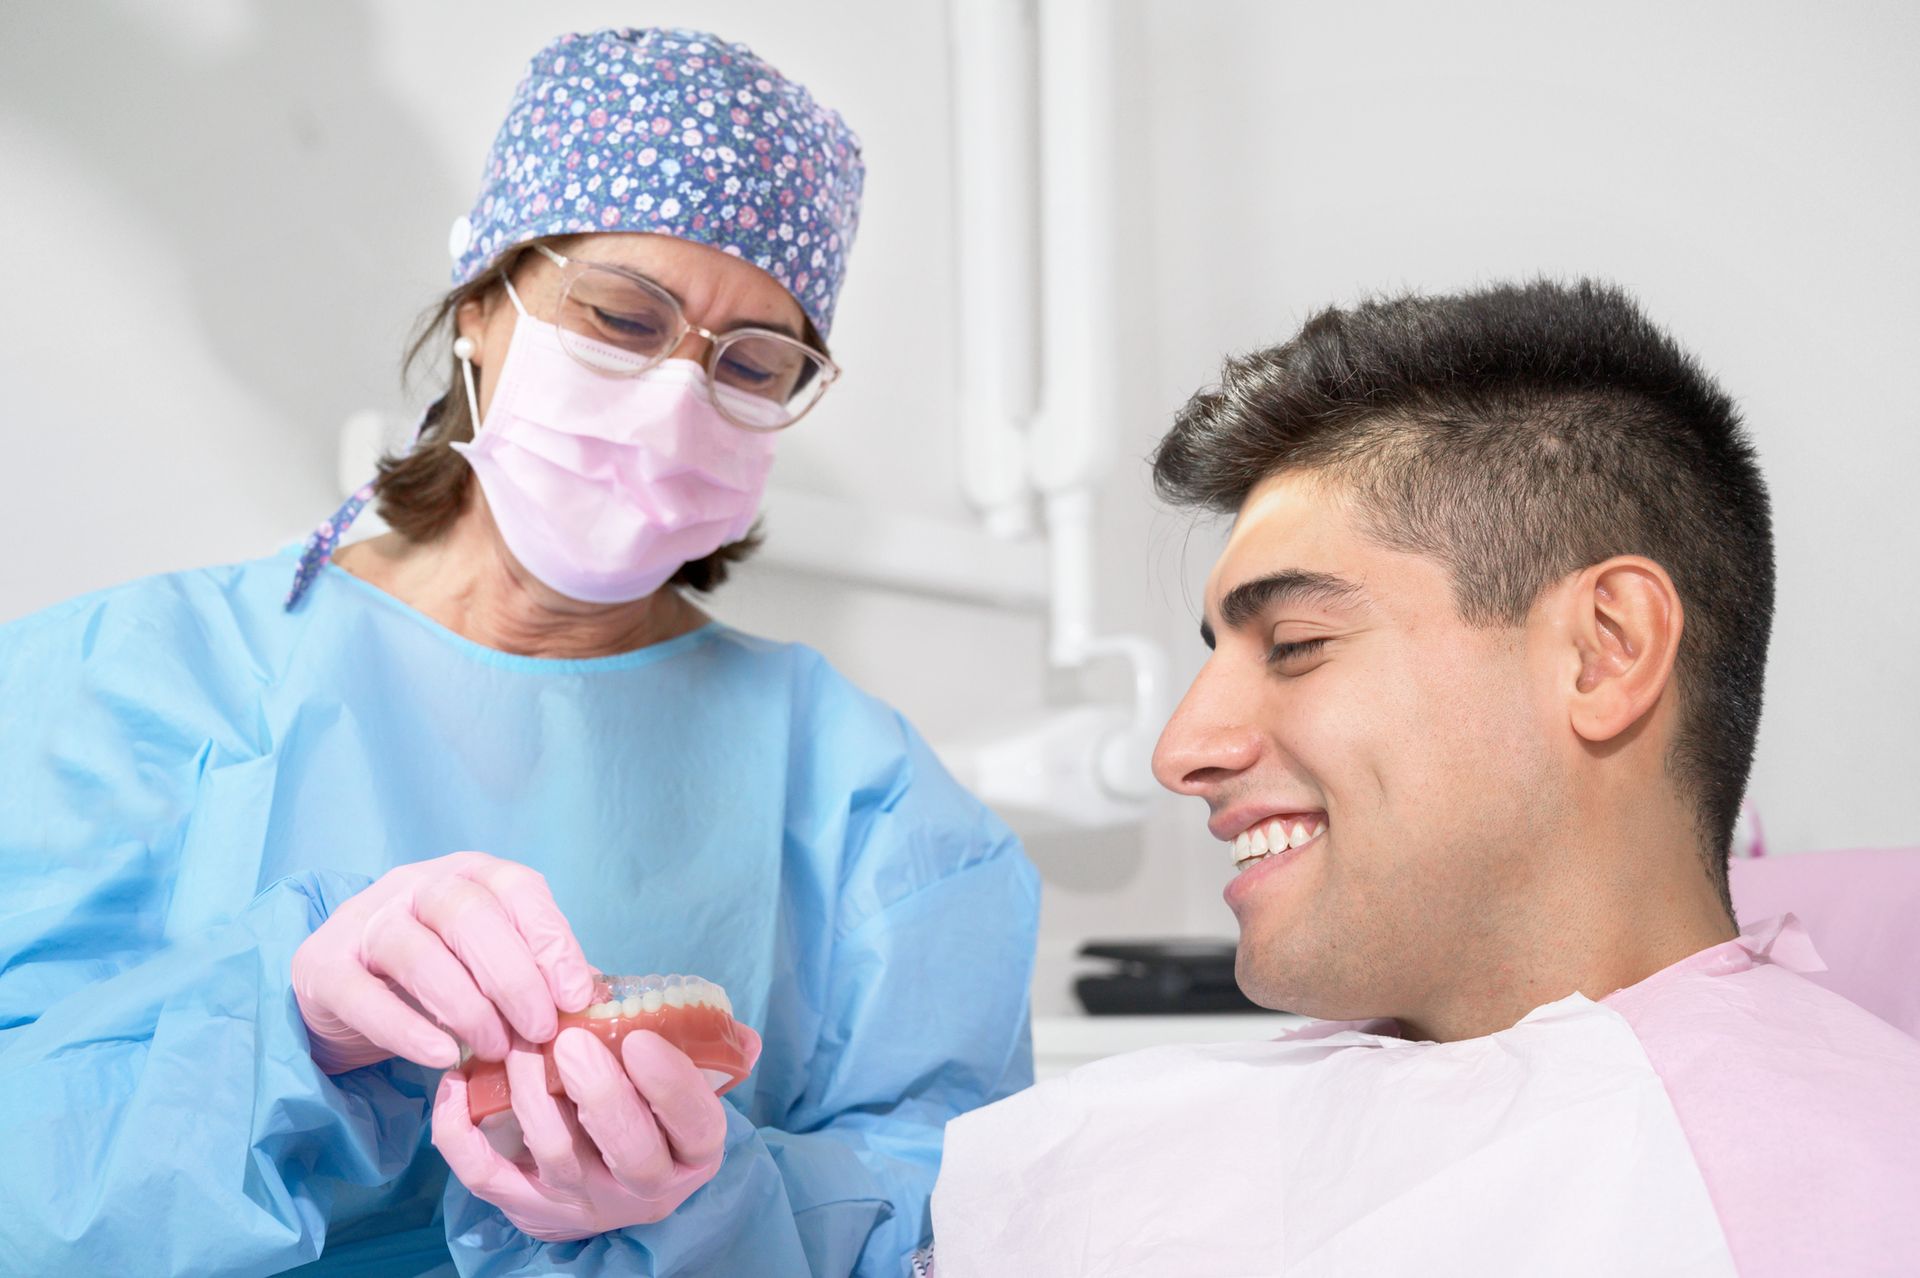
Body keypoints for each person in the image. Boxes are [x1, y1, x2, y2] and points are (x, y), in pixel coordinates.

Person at [0, 27, 1038, 1277]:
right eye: (620, 315)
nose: (674, 398)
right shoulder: (132, 684)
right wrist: (285, 1030)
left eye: (753, 362)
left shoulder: (869, 799)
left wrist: (701, 1203)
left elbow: (953, 1200)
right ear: (485, 305)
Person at [929, 280, 1920, 1275]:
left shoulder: (1848, 1200)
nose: (1181, 750)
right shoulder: (1130, 1153)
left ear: (1605, 651)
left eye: (1298, 643)